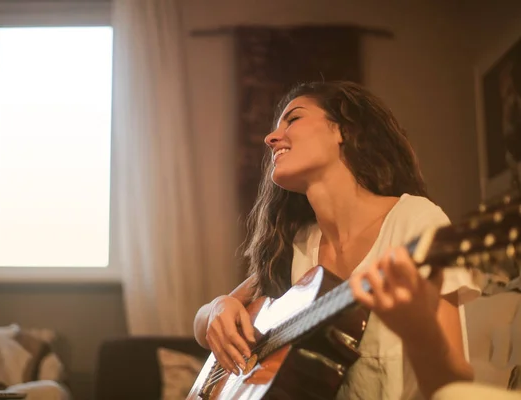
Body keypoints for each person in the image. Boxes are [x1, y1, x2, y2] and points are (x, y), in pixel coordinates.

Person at [193, 81, 480, 399]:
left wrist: (419, 332)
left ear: (343, 130)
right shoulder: (299, 244)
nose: (270, 138)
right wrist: (219, 307)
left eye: (293, 119)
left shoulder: (415, 222)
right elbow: (202, 323)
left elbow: (455, 386)